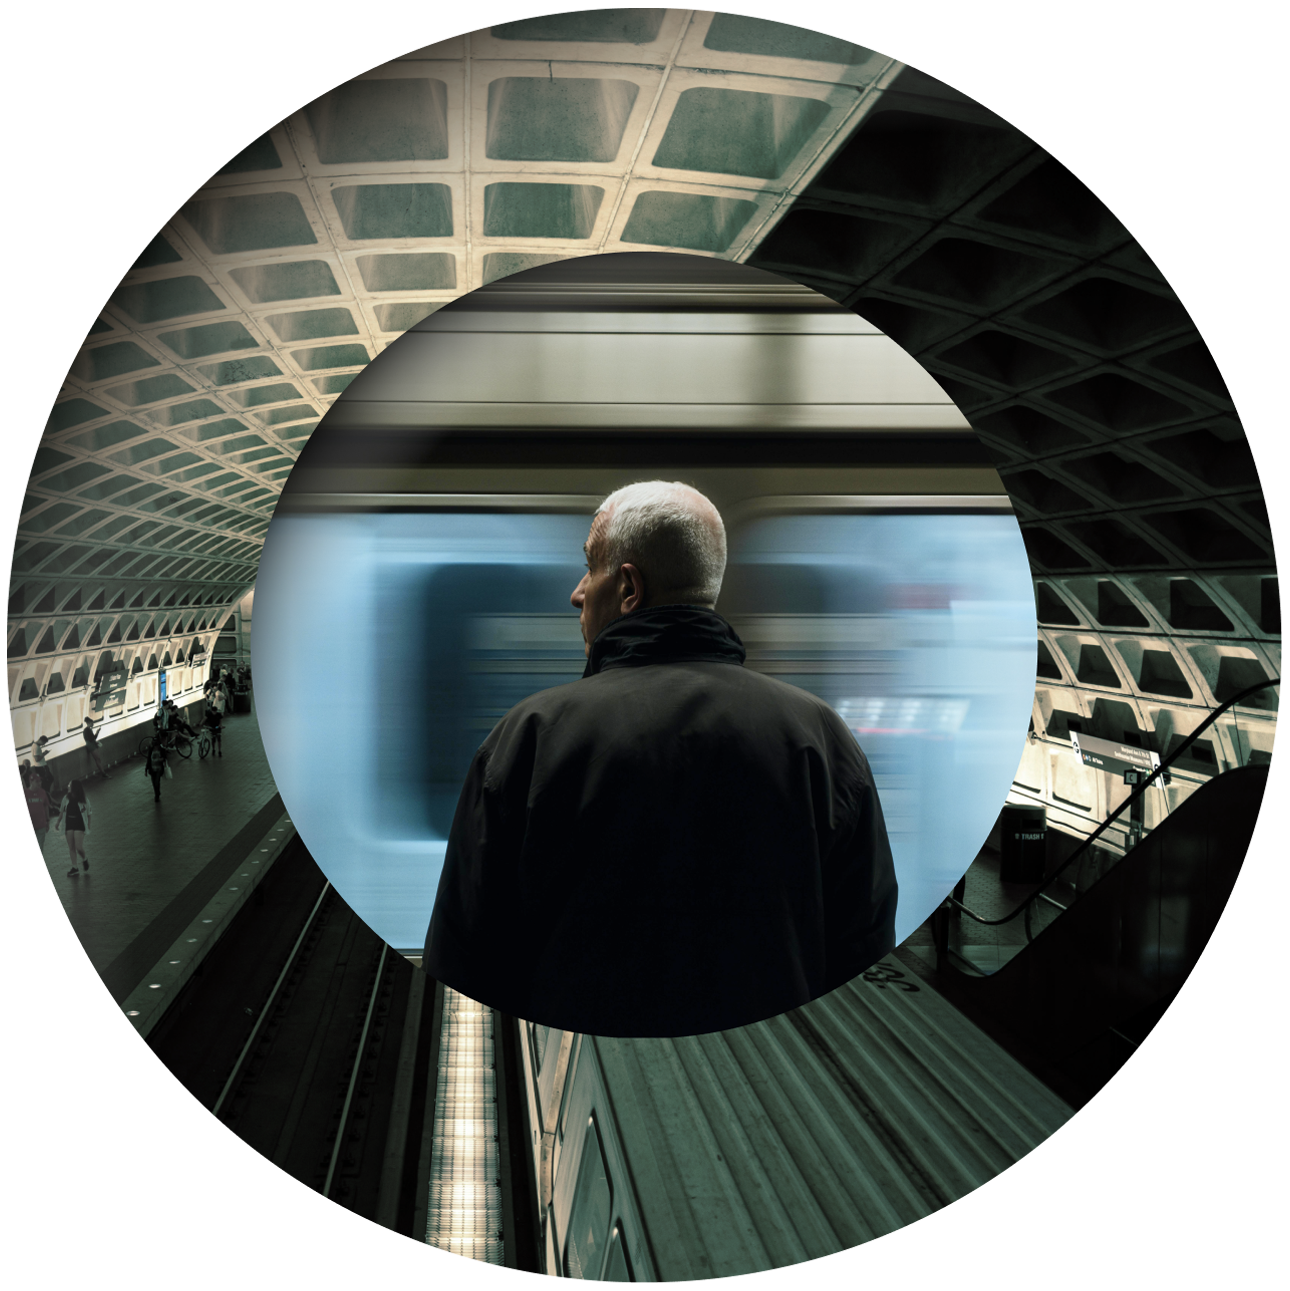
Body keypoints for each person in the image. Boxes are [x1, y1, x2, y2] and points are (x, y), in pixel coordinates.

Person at [422, 480, 898, 1038]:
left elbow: (464, 957)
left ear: (628, 588)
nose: (577, 593)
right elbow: (864, 953)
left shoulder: (529, 738)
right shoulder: (823, 739)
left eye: (590, 568)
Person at [55, 779, 92, 876]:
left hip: (79, 823)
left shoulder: (84, 799)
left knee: (79, 847)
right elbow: (62, 811)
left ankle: (84, 859)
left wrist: (88, 826)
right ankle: (74, 867)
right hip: (69, 823)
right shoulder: (66, 798)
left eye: (69, 785)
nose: (68, 786)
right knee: (71, 847)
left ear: (74, 787)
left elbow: (89, 813)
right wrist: (58, 822)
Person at [144, 737, 168, 803]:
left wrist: (162, 759)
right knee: (154, 783)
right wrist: (146, 769)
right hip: (152, 769)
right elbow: (148, 760)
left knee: (156, 782)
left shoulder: (161, 750)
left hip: (158, 769)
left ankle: (157, 794)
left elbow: (165, 757)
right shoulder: (151, 750)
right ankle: (157, 793)